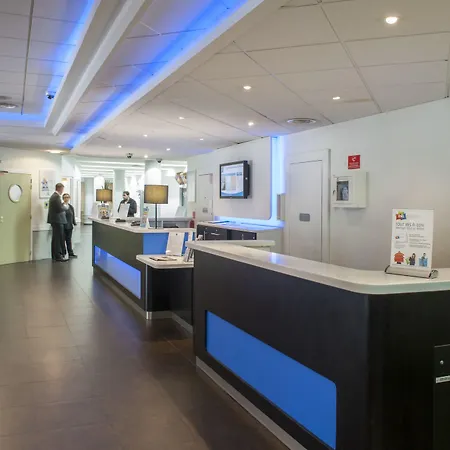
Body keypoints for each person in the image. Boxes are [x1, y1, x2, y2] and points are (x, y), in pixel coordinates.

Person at [47, 183, 68, 262]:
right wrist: (65, 207)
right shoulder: (56, 197)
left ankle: (55, 255)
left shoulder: (53, 196)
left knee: (55, 238)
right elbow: (59, 208)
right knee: (58, 239)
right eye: (62, 189)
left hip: (55, 220)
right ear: (60, 188)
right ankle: (58, 256)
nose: (62, 191)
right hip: (57, 220)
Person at [62, 193, 77, 259]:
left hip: (69, 226)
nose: (66, 199)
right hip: (63, 226)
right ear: (63, 198)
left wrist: (74, 223)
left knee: (69, 240)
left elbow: (73, 216)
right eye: (65, 197)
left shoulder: (71, 207)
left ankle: (70, 253)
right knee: (62, 241)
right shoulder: (61, 206)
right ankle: (63, 253)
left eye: (67, 197)